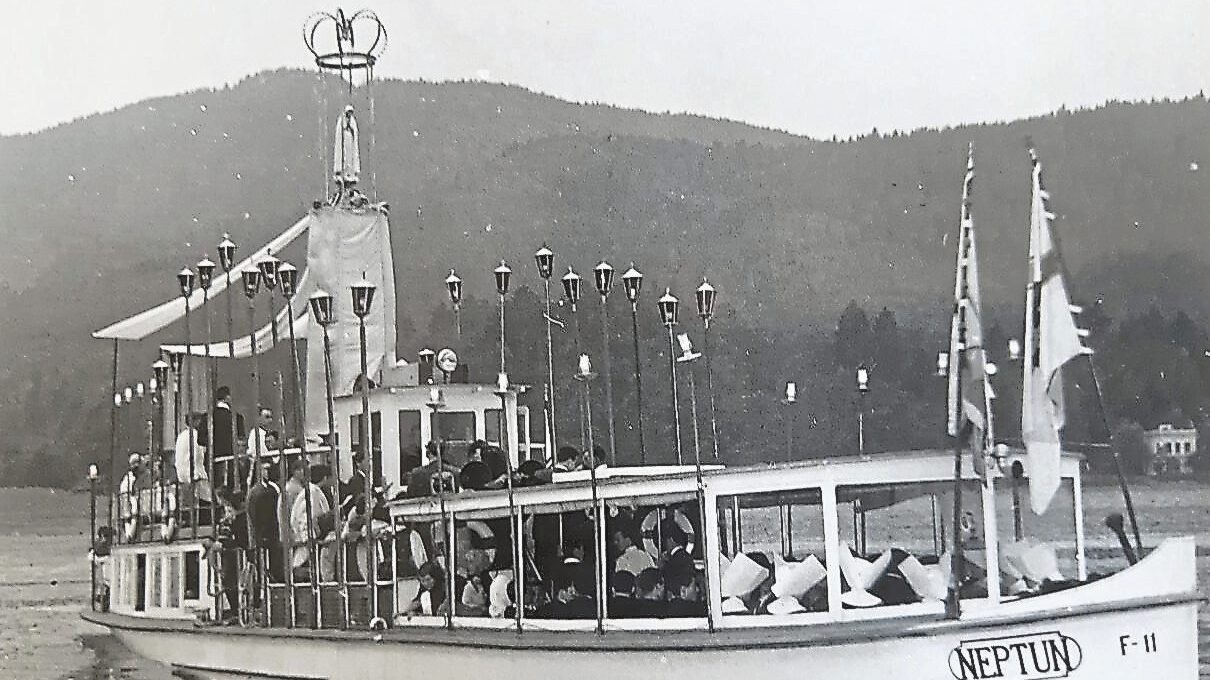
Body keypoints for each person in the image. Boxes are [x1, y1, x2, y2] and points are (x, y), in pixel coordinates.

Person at [290, 463, 332, 582]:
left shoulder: (312, 491)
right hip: (310, 538)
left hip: (311, 537)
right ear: (325, 478)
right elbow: (307, 517)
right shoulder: (312, 492)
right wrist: (310, 536)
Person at [208, 386, 246, 490]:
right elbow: (241, 440)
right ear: (227, 398)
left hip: (213, 462)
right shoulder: (236, 418)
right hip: (231, 461)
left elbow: (201, 440)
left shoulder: (208, 417)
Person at [174, 412, 211, 505]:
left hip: (182, 476)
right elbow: (201, 454)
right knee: (209, 501)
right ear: (194, 422)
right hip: (195, 475)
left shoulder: (181, 436)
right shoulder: (196, 435)